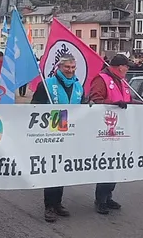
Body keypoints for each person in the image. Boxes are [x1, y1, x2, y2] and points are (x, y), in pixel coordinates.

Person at [31, 55, 84, 222]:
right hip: (50, 134)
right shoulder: (46, 84)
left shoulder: (78, 86)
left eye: (73, 67)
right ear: (59, 68)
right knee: (52, 170)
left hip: (69, 134)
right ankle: (49, 206)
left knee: (62, 170)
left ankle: (58, 203)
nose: (70, 70)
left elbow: (83, 107)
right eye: (67, 67)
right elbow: (34, 106)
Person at [87, 54, 136, 215]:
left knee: (116, 165)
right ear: (119, 66)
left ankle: (108, 195)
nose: (128, 69)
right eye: (126, 66)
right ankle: (100, 199)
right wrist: (113, 105)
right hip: (104, 130)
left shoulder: (121, 81)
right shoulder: (101, 79)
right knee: (106, 165)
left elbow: (126, 100)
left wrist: (141, 104)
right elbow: (95, 101)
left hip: (121, 130)